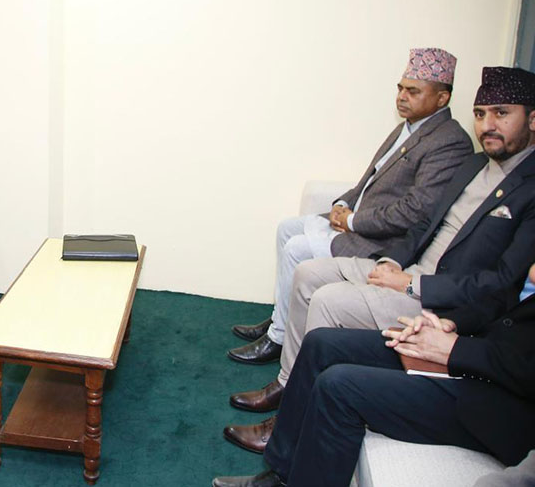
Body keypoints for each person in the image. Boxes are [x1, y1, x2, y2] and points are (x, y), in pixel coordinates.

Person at [225, 66, 535, 453]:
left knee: (327, 300)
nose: (488, 125)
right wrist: (393, 262)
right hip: (406, 268)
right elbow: (424, 224)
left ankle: (290, 420)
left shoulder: (528, 187)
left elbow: (502, 282)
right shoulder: (474, 165)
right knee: (307, 274)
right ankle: (288, 386)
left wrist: (412, 283)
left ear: (532, 119)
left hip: (440, 299)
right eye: (481, 114)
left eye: (502, 113)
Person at [229, 48, 472, 366]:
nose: (402, 97)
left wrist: (353, 220)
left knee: (297, 249)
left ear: (442, 98)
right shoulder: (408, 127)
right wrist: (342, 204)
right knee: (287, 228)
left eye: (413, 91)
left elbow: (416, 211)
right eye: (400, 88)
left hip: (384, 241)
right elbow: (370, 179)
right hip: (362, 223)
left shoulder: (449, 141)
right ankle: (283, 317)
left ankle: (278, 338)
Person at [211, 262, 535, 487]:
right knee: (322, 343)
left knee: (339, 387)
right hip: (479, 351)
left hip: (505, 403)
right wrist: (451, 324)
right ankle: (281, 471)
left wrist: (456, 350)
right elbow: (505, 298)